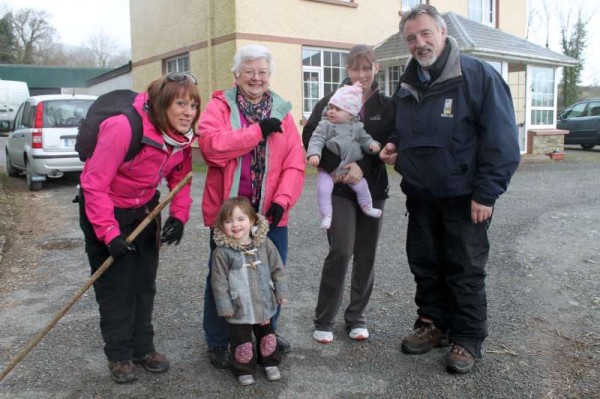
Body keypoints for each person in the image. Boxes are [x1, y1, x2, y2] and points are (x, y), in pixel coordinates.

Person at [379, 4, 521, 373]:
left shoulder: (477, 76)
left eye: (426, 33)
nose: (419, 42)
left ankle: (468, 338)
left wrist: (486, 193)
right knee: (426, 264)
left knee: (464, 268)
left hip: (465, 198)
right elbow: (405, 125)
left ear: (443, 33)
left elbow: (502, 140)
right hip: (422, 196)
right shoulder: (409, 81)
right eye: (411, 37)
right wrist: (395, 143)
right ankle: (432, 324)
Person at [78, 73, 200, 383]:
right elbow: (93, 185)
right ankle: (119, 355)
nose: (189, 112)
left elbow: (181, 177)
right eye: (182, 103)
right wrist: (109, 233)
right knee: (117, 287)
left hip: (145, 210)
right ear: (162, 105)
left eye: (194, 104)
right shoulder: (122, 128)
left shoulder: (181, 137)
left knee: (144, 284)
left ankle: (144, 348)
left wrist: (178, 216)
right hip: (106, 211)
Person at [198, 44, 305, 369]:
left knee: (269, 277)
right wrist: (256, 132)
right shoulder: (219, 108)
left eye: (262, 72)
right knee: (222, 279)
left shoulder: (283, 112)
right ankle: (218, 340)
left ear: (268, 75)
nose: (256, 78)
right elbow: (212, 148)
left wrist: (281, 202)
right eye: (249, 72)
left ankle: (265, 336)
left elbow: (295, 163)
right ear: (236, 75)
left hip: (270, 216)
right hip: (230, 217)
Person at [302, 44, 394, 344]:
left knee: (366, 254)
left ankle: (357, 316)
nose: (361, 73)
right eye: (355, 68)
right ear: (347, 70)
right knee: (341, 249)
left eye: (367, 67)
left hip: (372, 188)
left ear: (376, 68)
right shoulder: (332, 101)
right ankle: (324, 318)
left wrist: (362, 169)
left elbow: (386, 142)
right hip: (339, 188)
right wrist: (336, 166)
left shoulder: (385, 105)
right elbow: (311, 135)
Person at [211, 197, 287, 386]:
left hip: (264, 301)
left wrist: (280, 291)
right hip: (239, 305)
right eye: (228, 221)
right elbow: (219, 282)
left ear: (252, 220)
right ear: (221, 226)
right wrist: (224, 305)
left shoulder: (264, 244)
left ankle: (269, 362)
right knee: (241, 341)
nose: (235, 225)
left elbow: (278, 268)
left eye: (240, 219)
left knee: (267, 335)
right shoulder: (222, 252)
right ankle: (243, 368)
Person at [306, 82, 382, 229]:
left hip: (349, 166)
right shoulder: (325, 125)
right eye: (331, 108)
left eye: (338, 109)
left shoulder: (357, 127)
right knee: (323, 188)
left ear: (350, 114)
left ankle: (367, 206)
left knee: (362, 185)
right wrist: (314, 154)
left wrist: (372, 145)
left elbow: (365, 139)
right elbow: (316, 139)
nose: (332, 111)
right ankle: (327, 215)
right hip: (329, 169)